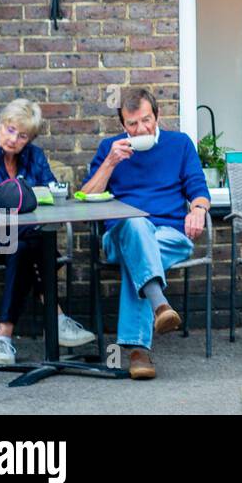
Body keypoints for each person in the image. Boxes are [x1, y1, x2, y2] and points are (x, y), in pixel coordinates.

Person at [0, 99, 96, 366]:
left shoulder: (34, 157)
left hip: (19, 240)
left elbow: (52, 191)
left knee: (21, 246)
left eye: (22, 136)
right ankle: (57, 318)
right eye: (10, 130)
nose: (13, 139)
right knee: (32, 244)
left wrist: (44, 194)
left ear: (29, 139)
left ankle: (4, 338)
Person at [82, 88, 211, 381]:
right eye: (133, 124)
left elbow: (198, 188)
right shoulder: (109, 148)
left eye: (146, 120)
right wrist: (110, 162)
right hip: (120, 234)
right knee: (136, 224)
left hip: (170, 235)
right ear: (122, 127)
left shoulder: (179, 144)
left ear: (158, 116)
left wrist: (199, 211)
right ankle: (158, 305)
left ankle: (139, 351)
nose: (141, 129)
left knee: (139, 255)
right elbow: (85, 198)